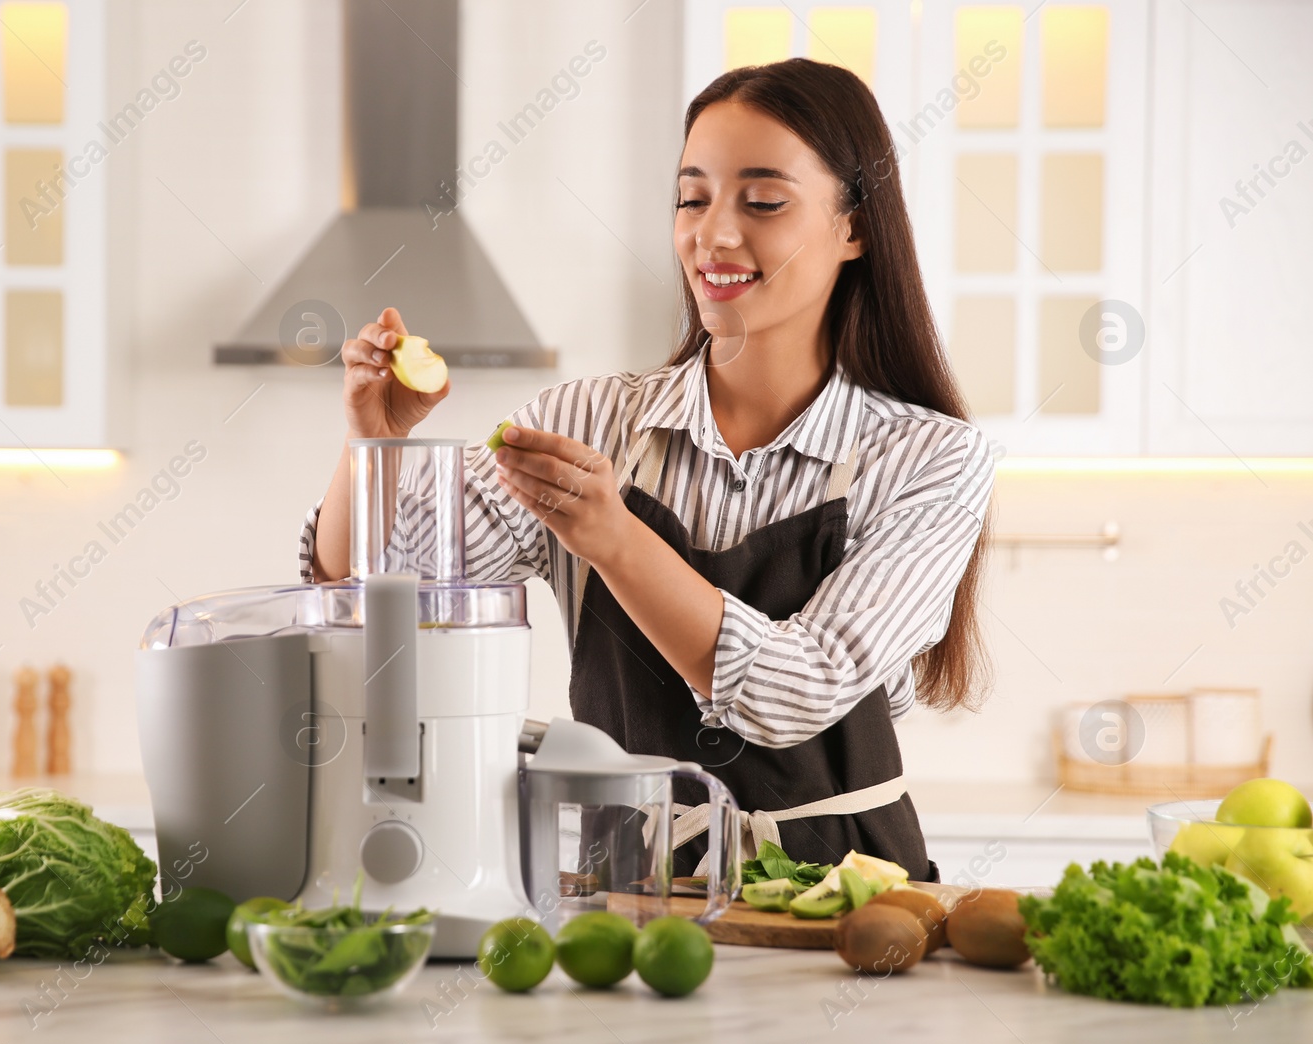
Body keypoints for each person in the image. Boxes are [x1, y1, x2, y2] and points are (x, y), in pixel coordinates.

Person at [300, 59, 993, 882]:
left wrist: (613, 538)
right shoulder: (586, 422)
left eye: (764, 201)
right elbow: (380, 610)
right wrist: (372, 447)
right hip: (631, 894)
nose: (714, 234)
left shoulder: (933, 458)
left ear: (856, 227)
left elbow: (793, 693)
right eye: (692, 198)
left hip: (846, 901)